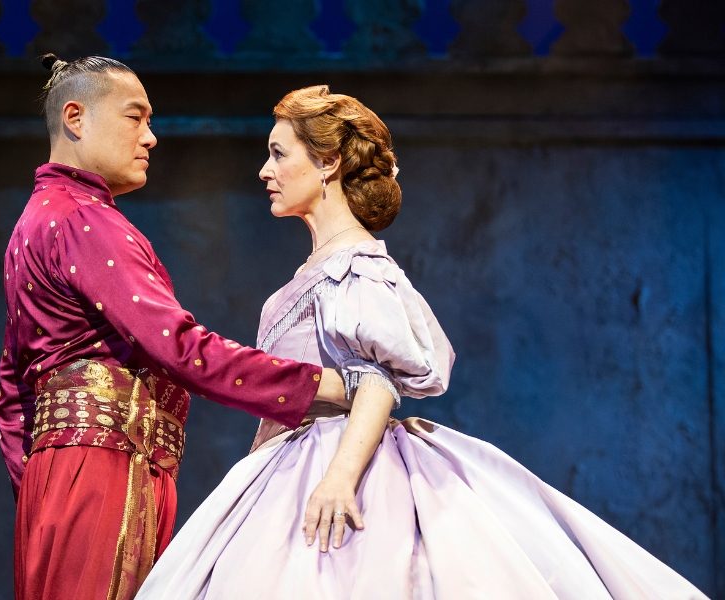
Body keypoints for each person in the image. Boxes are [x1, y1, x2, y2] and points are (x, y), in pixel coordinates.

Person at [136, 85, 708, 599]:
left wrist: (340, 477)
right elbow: (281, 404)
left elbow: (379, 380)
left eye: (279, 154)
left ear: (329, 162)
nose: (264, 170)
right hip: (289, 468)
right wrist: (248, 486)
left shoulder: (356, 269)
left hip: (345, 461)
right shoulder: (313, 275)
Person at [0, 58, 348, 600]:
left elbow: (12, 393)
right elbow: (180, 347)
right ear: (75, 117)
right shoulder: (82, 221)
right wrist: (322, 386)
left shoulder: (38, 219)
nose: (151, 137)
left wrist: (47, 487)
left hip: (69, 475)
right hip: (103, 469)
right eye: (135, 118)